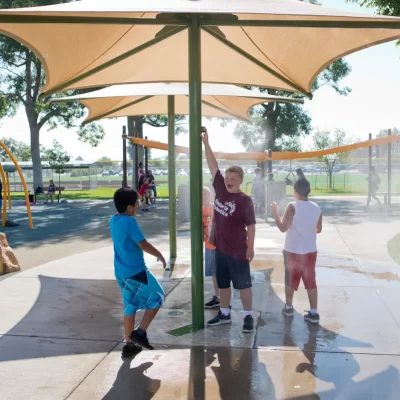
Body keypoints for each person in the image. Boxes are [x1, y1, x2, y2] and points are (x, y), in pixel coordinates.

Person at [201, 128, 256, 333]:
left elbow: (251, 225)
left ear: (240, 180)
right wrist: (206, 144)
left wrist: (250, 247)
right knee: (223, 284)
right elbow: (213, 166)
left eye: (233, 177)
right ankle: (224, 313)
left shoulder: (245, 200)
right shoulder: (221, 190)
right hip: (220, 249)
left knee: (243, 285)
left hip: (238, 252)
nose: (229, 179)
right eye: (227, 176)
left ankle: (248, 316)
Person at [110, 187, 166, 357]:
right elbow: (143, 244)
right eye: (136, 203)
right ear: (129, 207)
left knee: (130, 304)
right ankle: (140, 332)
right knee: (158, 296)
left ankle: (129, 345)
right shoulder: (129, 222)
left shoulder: (113, 220)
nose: (138, 205)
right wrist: (160, 255)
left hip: (121, 272)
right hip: (136, 271)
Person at [271, 178, 323, 324]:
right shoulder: (316, 208)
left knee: (290, 279)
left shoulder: (292, 206)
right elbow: (318, 229)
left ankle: (288, 307)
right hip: (310, 250)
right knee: (310, 280)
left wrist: (275, 213)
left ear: (295, 191)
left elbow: (283, 228)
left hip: (293, 250)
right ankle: (314, 312)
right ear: (309, 191)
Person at [203, 186, 219, 309]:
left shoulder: (215, 208)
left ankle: (221, 297)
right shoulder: (200, 210)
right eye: (202, 194)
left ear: (210, 195)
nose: (204, 197)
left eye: (206, 194)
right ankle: (217, 296)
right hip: (208, 245)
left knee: (220, 272)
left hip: (218, 245)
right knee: (213, 273)